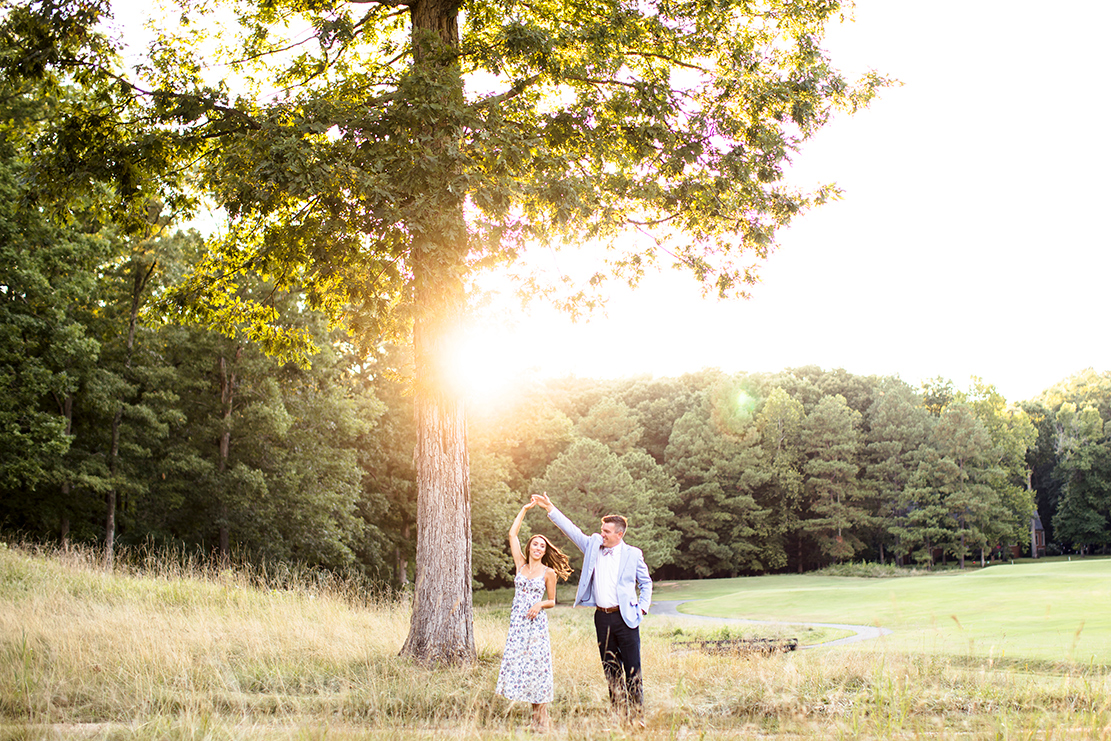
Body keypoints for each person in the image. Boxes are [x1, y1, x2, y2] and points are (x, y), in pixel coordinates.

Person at [531, 492, 652, 724]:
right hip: (602, 618)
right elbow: (572, 530)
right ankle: (617, 720)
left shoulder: (633, 554)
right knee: (611, 672)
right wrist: (550, 508)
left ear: (619, 534)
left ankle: (638, 720)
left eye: (606, 531)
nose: (601, 534)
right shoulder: (594, 547)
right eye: (602, 530)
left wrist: (642, 609)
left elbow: (646, 583)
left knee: (633, 671)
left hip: (627, 619)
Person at [495, 500, 572, 732]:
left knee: (538, 668)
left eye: (542, 546)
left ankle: (542, 720)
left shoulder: (549, 572)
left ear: (545, 551)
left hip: (536, 625)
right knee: (523, 668)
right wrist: (524, 510)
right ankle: (534, 719)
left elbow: (552, 601)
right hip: (518, 624)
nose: (538, 548)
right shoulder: (520, 565)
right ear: (529, 548)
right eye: (534, 545)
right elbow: (512, 534)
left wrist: (539, 604)